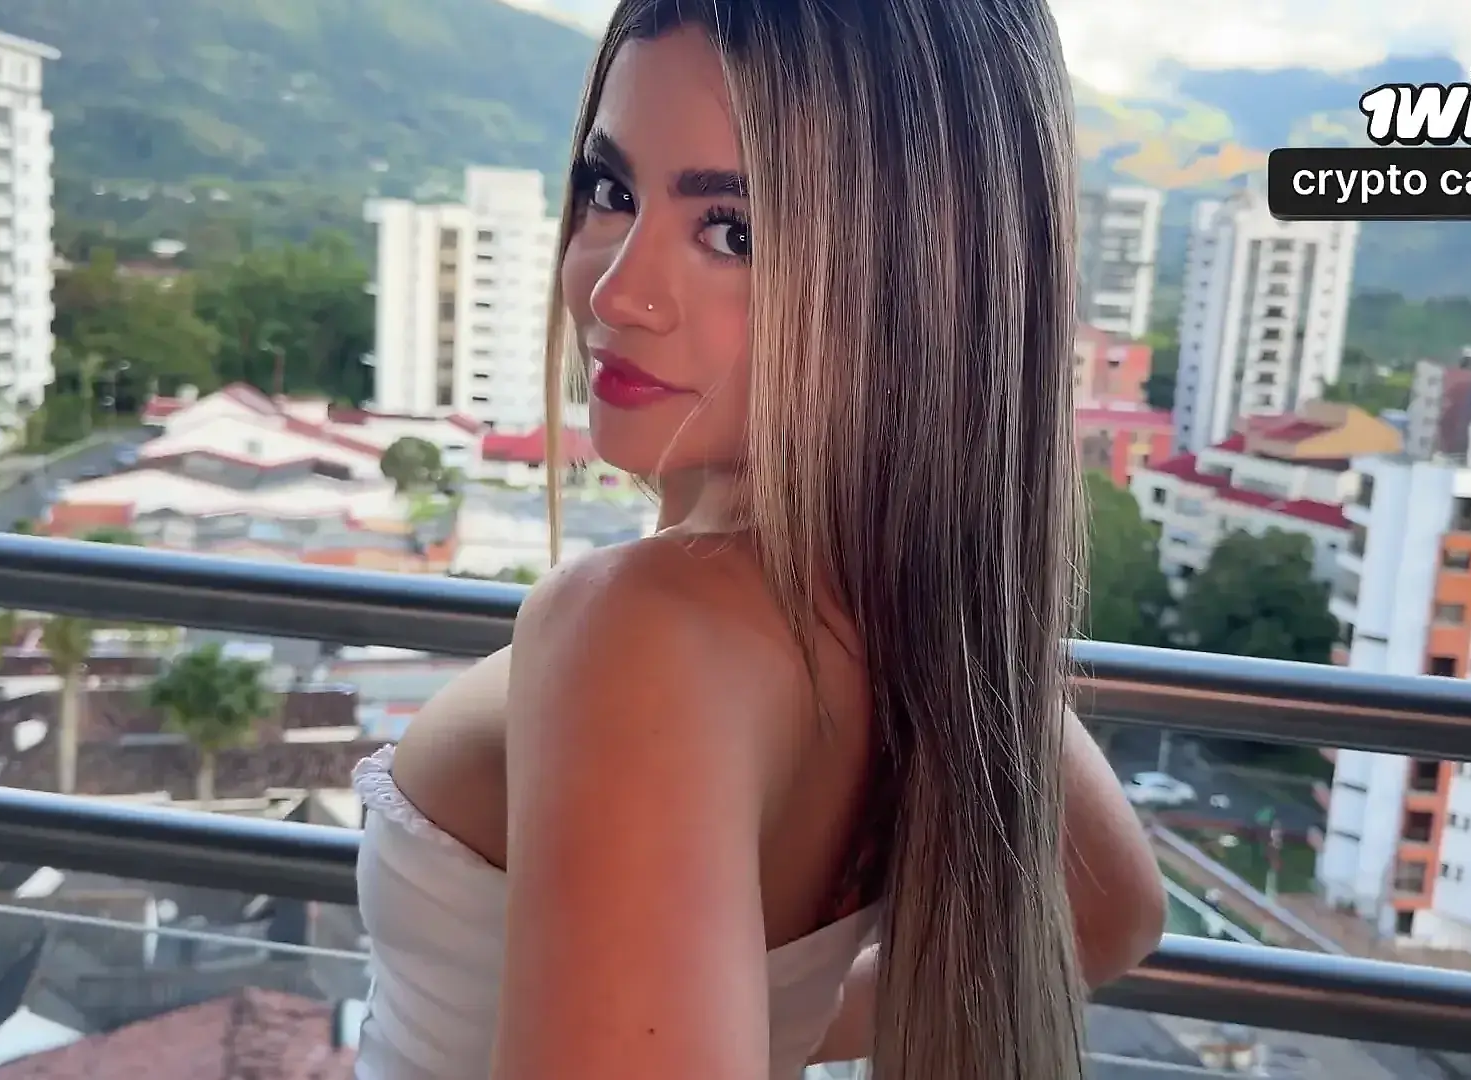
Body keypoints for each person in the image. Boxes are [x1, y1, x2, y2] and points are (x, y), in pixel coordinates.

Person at [354, 1, 1166, 1078]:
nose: (617, 289)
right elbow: (1113, 912)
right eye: (612, 190)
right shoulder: (915, 606)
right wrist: (764, 1021)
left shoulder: (639, 629)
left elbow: (1110, 915)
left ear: (915, 283)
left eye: (733, 231)